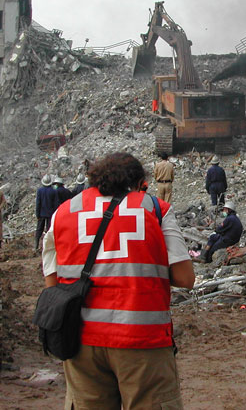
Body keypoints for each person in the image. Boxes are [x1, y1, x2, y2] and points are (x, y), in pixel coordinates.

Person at [41, 152, 194, 409]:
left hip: (81, 342)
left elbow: (52, 285)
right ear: (136, 183)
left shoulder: (63, 213)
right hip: (142, 340)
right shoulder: (155, 209)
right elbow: (185, 278)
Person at [35, 174, 59, 251]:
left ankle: (36, 245)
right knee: (49, 230)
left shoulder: (40, 191)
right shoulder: (53, 191)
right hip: (50, 214)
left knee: (39, 229)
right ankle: (49, 246)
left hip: (41, 214)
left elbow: (38, 203)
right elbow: (56, 204)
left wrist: (37, 214)